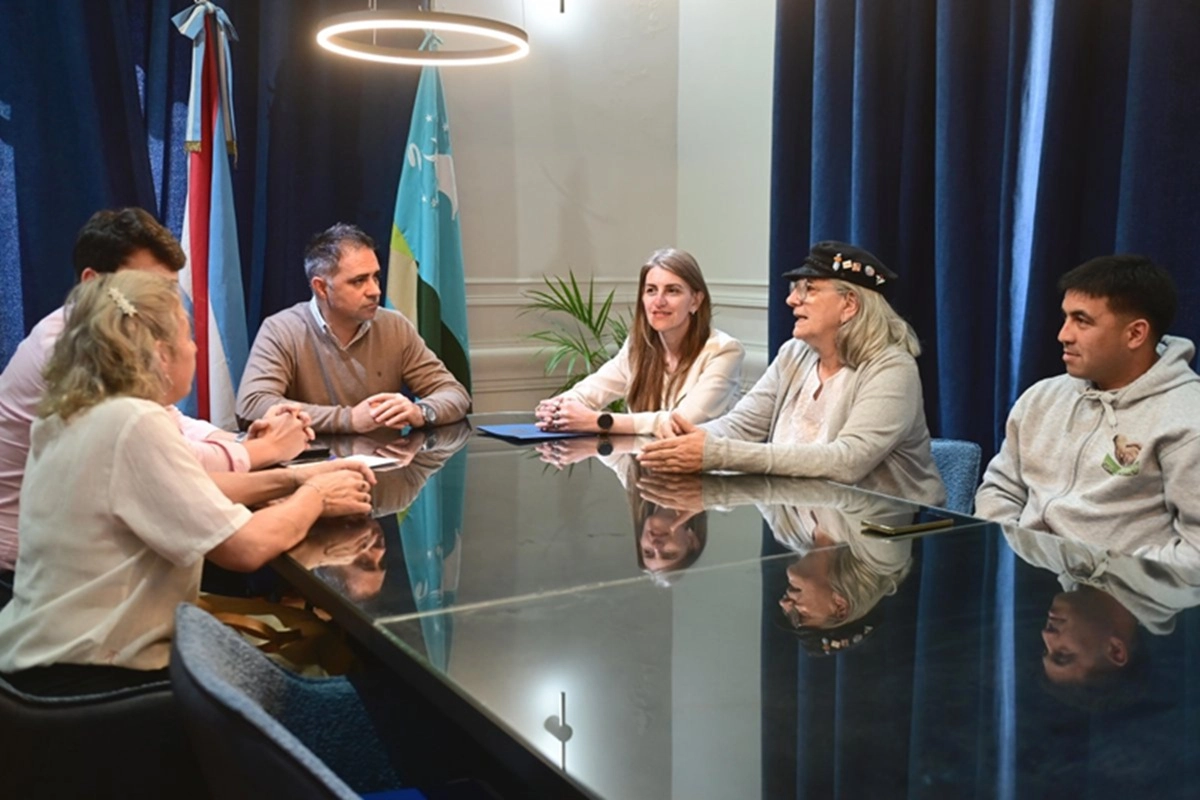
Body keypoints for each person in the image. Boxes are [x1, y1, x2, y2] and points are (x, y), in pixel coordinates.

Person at [0, 272, 375, 695]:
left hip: (36, 663)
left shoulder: (72, 414)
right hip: (93, 679)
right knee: (344, 670)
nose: (196, 348)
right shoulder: (133, 422)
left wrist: (294, 478)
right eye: (188, 337)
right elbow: (246, 548)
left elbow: (192, 489)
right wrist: (315, 496)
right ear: (161, 353)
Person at [0, 208, 311, 600]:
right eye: (149, 291)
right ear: (93, 282)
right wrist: (270, 455)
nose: (166, 313)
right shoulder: (74, 353)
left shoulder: (99, 337)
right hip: (40, 578)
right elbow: (167, 459)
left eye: (169, 292)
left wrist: (238, 442)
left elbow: (168, 421)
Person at [638, 241, 945, 507]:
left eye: (808, 289)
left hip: (890, 534)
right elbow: (742, 425)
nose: (791, 300)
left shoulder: (892, 368)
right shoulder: (794, 353)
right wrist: (688, 437)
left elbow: (847, 462)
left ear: (849, 304)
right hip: (806, 526)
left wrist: (716, 453)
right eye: (795, 289)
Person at [975, 255, 1200, 564]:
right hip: (1024, 577)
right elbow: (1000, 489)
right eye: (1066, 317)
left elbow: (1195, 548)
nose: (1063, 335)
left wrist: (1117, 578)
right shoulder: (1041, 397)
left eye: (1082, 321)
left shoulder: (1187, 418)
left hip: (1120, 590)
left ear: (1135, 334)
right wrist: (1012, 560)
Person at [236, 223, 471, 433]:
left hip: (387, 463)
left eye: (375, 277)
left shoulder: (394, 326)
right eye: (359, 281)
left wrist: (421, 412)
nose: (375, 291)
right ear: (321, 288)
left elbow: (455, 393)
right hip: (314, 465)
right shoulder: (282, 329)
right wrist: (348, 419)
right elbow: (252, 405)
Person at [534, 248, 744, 437]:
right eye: (651, 290)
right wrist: (558, 408)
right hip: (646, 461)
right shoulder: (638, 346)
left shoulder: (725, 351)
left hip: (708, 466)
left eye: (672, 290)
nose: (659, 301)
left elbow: (683, 422)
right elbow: (593, 389)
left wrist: (599, 421)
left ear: (696, 301)